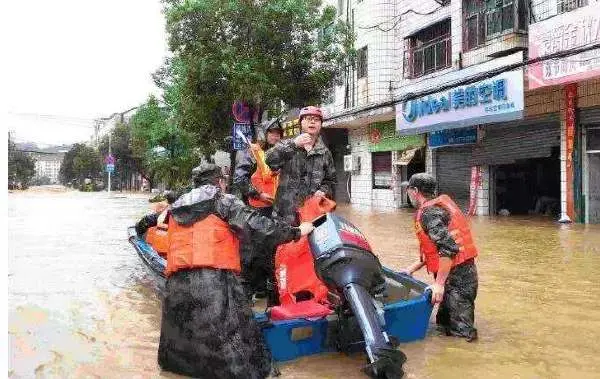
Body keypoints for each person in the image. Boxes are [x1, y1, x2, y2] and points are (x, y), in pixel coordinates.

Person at [157, 163, 314, 379]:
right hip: (214, 282)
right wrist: (296, 232)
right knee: (241, 349)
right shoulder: (223, 201)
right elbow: (260, 227)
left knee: (180, 351)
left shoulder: (176, 206)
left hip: (175, 285)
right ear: (219, 181)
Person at [401, 173, 479, 342]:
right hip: (452, 273)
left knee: (462, 334)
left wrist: (439, 284)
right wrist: (410, 270)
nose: (408, 195)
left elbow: (448, 248)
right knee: (443, 325)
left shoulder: (430, 214)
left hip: (459, 277)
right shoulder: (434, 209)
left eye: (408, 191)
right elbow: (433, 250)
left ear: (415, 191)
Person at [231, 119, 284, 300]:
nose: (275, 136)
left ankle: (270, 290)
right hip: (255, 210)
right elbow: (240, 180)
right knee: (251, 251)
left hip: (277, 210)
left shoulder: (284, 155)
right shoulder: (252, 153)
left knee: (274, 250)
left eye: (278, 133)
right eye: (272, 133)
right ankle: (247, 293)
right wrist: (258, 194)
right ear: (264, 134)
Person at [265, 106, 337, 226]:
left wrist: (323, 191)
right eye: (308, 118)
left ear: (321, 125)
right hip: (285, 216)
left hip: (311, 216)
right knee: (283, 245)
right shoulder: (288, 144)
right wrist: (294, 144)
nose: (312, 121)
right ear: (301, 123)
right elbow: (269, 159)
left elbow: (331, 181)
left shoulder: (325, 153)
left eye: (316, 119)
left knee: (309, 244)